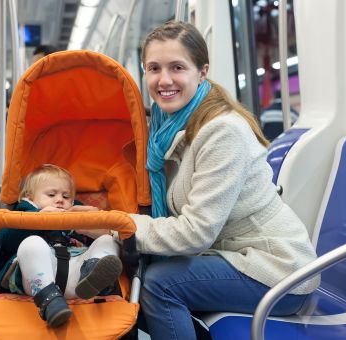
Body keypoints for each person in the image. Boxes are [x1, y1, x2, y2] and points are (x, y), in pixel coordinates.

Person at [83, 21, 320, 339]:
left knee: (158, 286)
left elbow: (196, 233)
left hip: (276, 269)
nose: (163, 80)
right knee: (131, 282)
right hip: (230, 256)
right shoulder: (163, 128)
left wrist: (112, 223)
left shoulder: (222, 131)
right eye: (154, 68)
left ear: (202, 71)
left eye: (177, 67)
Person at [0, 164, 123, 328]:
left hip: (78, 279)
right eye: (51, 194)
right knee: (31, 244)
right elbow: (3, 241)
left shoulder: (78, 214)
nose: (59, 200)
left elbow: (105, 236)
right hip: (39, 278)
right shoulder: (22, 215)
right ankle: (50, 302)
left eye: (66, 196)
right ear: (30, 197)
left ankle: (92, 273)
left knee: (108, 240)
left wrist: (94, 222)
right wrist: (36, 220)